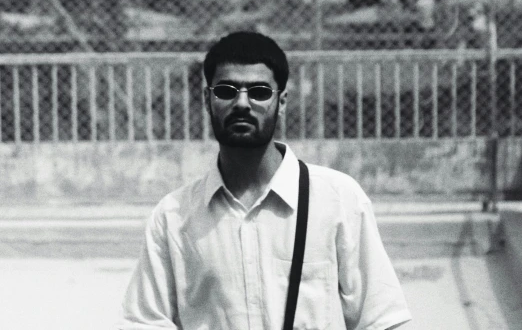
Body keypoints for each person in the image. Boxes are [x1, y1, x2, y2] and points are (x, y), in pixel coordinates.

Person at [119, 31, 412, 330]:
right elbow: (144, 322)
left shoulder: (337, 199)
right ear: (208, 100)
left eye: (259, 92)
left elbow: (382, 319)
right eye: (226, 91)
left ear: (281, 102)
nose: (242, 103)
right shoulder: (174, 216)